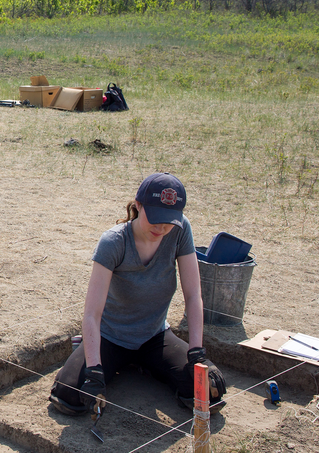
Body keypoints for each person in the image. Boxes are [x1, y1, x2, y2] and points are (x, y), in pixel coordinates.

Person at [48, 173, 227, 416]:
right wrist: (93, 369)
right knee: (69, 395)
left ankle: (147, 364)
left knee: (209, 390)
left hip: (154, 336)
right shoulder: (113, 242)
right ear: (139, 205)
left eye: (168, 221)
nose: (161, 227)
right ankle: (93, 352)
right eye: (154, 219)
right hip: (110, 336)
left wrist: (197, 352)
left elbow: (194, 295)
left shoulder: (180, 230)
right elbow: (91, 313)